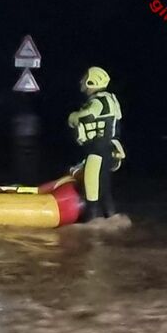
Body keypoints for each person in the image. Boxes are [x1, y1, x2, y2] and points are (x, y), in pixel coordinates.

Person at [67, 66, 124, 221]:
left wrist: (72, 117)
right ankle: (111, 220)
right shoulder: (110, 99)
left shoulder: (99, 102)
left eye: (85, 79)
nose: (82, 81)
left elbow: (85, 117)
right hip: (107, 150)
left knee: (91, 189)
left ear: (92, 81)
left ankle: (91, 225)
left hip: (97, 151)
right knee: (104, 189)